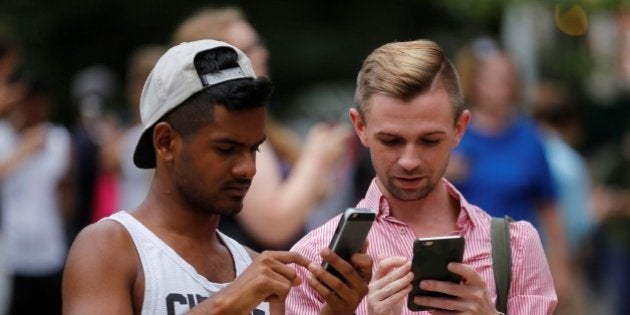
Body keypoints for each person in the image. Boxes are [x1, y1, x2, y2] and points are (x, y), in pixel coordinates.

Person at [62, 39, 372, 315]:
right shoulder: (109, 248)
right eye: (226, 149)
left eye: (254, 150)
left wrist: (337, 310)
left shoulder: (254, 267)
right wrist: (228, 303)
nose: (247, 168)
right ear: (165, 142)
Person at [287, 39, 557, 314]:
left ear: (459, 129)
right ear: (360, 127)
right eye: (391, 141)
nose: (409, 161)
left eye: (429, 141)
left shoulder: (515, 246)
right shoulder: (315, 260)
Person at [171, 7, 354, 251]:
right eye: (246, 50)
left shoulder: (255, 124)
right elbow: (273, 225)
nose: (262, 54)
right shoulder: (230, 129)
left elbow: (308, 197)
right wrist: (315, 159)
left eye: (258, 45)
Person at [445, 36, 572, 303]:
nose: (505, 86)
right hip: (464, 265)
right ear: (474, 82)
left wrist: (560, 263)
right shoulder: (453, 136)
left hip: (520, 265)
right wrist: (441, 174)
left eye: (509, 78)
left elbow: (549, 204)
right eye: (496, 78)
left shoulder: (530, 137)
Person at [0, 71, 74, 315]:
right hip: (12, 255)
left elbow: (65, 192)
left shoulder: (57, 138)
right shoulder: (3, 136)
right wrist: (25, 150)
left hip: (50, 251)